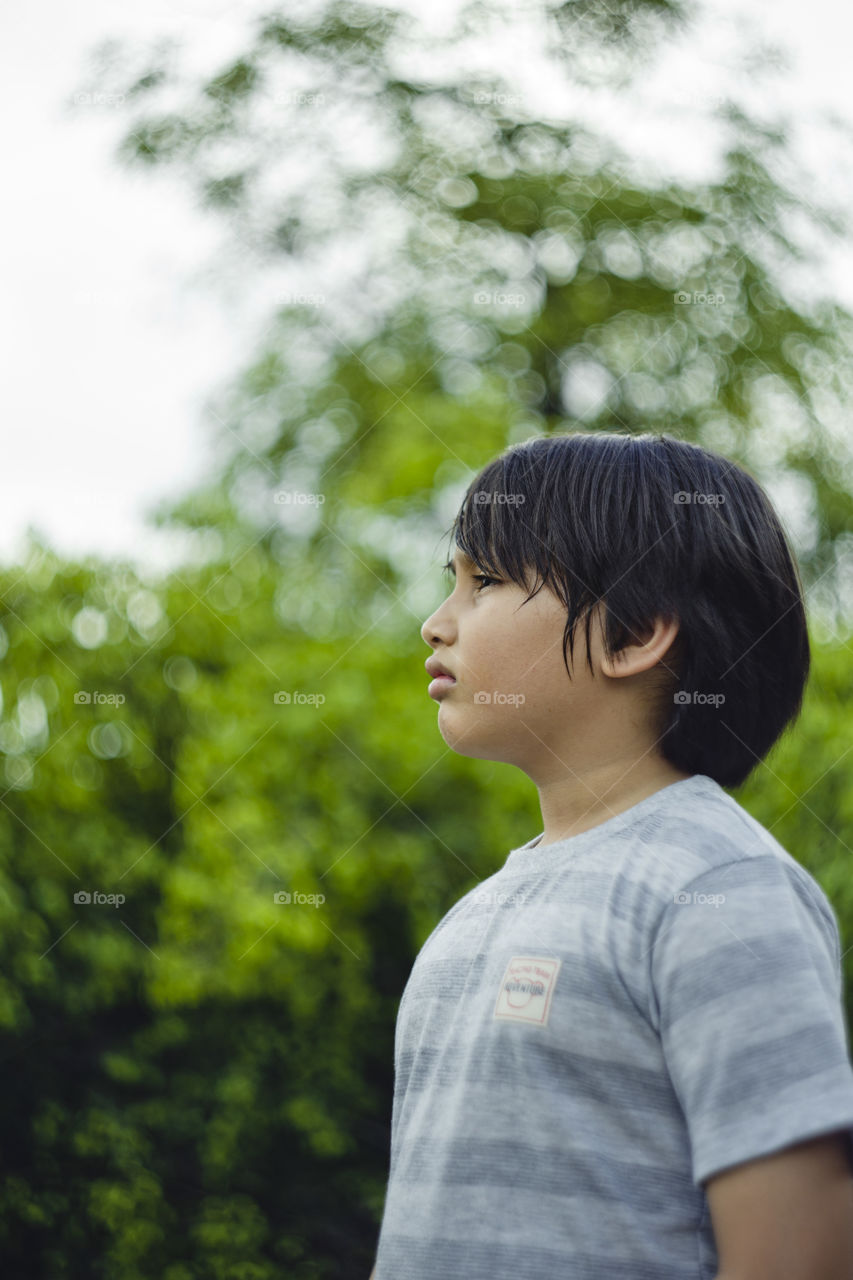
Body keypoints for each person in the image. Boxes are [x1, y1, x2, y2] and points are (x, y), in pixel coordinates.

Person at [368, 430, 853, 1280]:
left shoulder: (718, 887)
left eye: (484, 582)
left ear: (630, 634)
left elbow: (797, 1248)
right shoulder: (470, 916)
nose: (436, 622)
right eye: (451, 582)